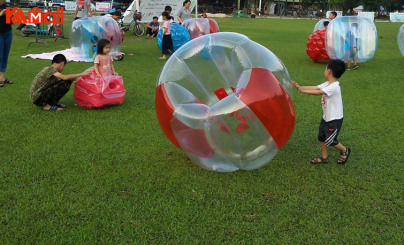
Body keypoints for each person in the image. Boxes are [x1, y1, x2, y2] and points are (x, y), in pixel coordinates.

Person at [292, 59, 351, 164]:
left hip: (334, 119)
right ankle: (324, 158)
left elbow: (319, 92)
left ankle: (345, 150)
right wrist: (299, 87)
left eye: (325, 68)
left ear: (329, 71)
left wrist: (302, 91)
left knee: (331, 140)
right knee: (322, 137)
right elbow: (315, 87)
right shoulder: (327, 84)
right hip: (326, 117)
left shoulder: (334, 87)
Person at [0, 0, 13, 87]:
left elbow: (11, 21)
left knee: (5, 56)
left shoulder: (7, 6)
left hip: (8, 33)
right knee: (0, 56)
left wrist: (10, 15)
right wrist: (1, 14)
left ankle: (2, 77)